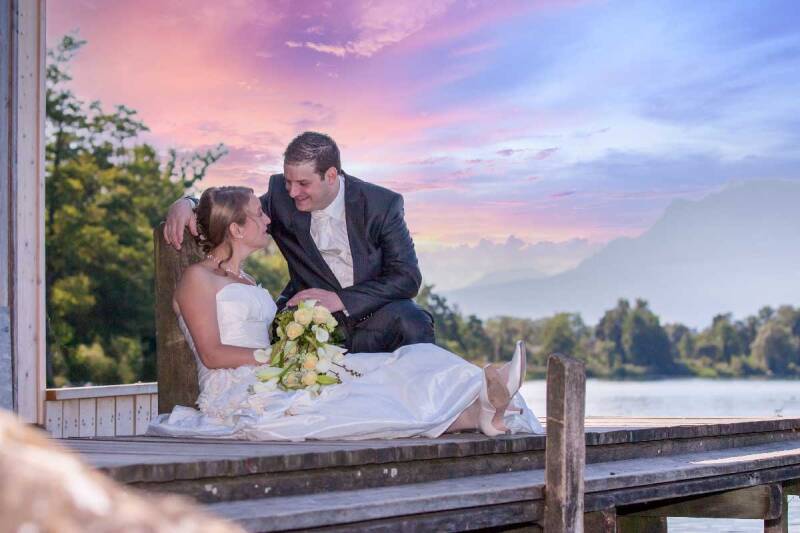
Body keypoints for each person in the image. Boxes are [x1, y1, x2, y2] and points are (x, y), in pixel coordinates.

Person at [148, 187, 543, 441]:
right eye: (258, 214)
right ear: (235, 229)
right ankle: (479, 410)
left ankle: (482, 396)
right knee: (357, 396)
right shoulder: (197, 279)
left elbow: (407, 277)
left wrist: (294, 350)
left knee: (397, 364)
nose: (268, 218)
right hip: (240, 390)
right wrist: (280, 357)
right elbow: (213, 354)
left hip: (275, 370)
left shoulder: (249, 281)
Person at [164, 131, 434, 354]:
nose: (293, 192)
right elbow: (234, 214)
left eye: (303, 183)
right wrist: (188, 203)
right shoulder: (282, 199)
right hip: (308, 322)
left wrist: (341, 299)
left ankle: (428, 413)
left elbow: (407, 277)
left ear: (331, 175)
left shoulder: (381, 205)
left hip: (375, 315)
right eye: (288, 181)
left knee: (413, 321)